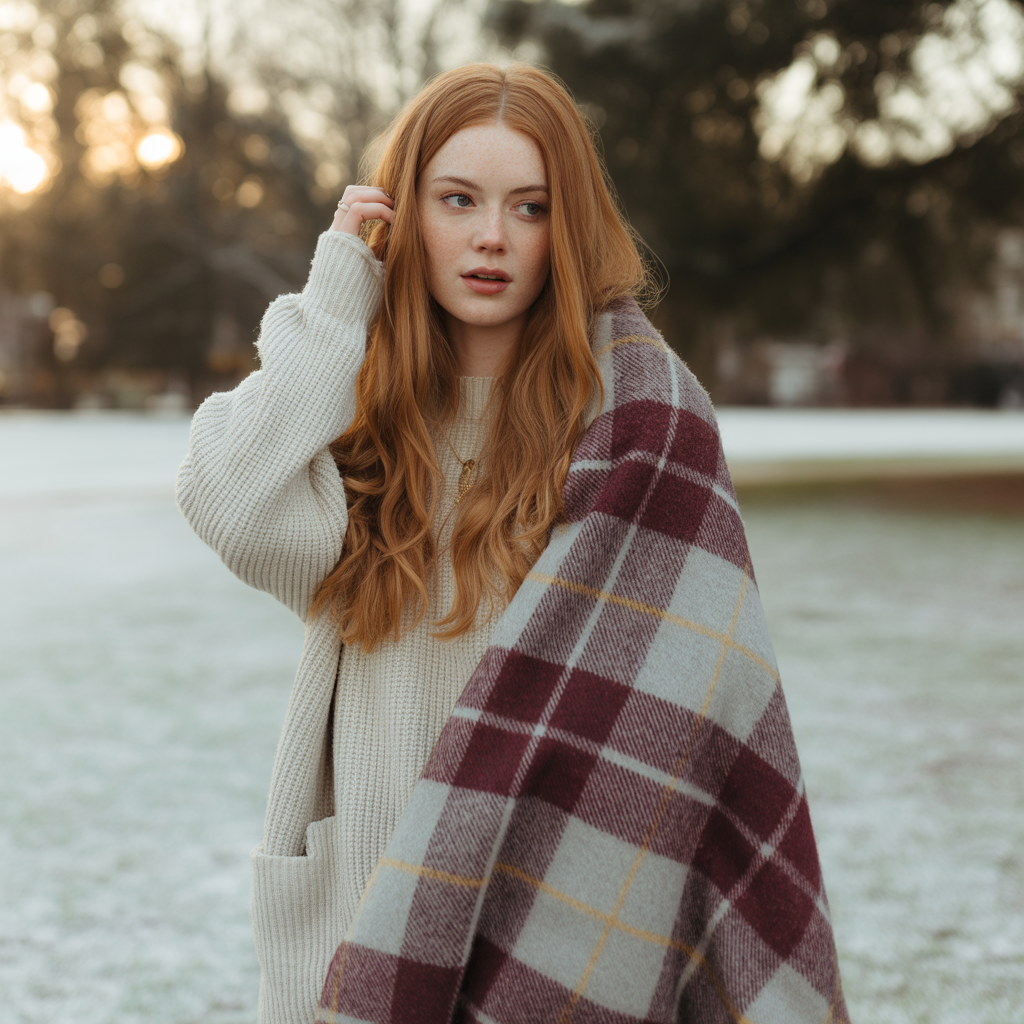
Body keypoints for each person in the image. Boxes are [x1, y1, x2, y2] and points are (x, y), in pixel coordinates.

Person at [178, 63, 848, 1024]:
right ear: (406, 214)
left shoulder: (640, 431)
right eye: (457, 200)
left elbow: (700, 710)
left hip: (560, 914)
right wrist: (335, 299)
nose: (492, 236)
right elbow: (232, 499)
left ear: (566, 227)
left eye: (529, 207)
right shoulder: (357, 423)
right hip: (363, 910)